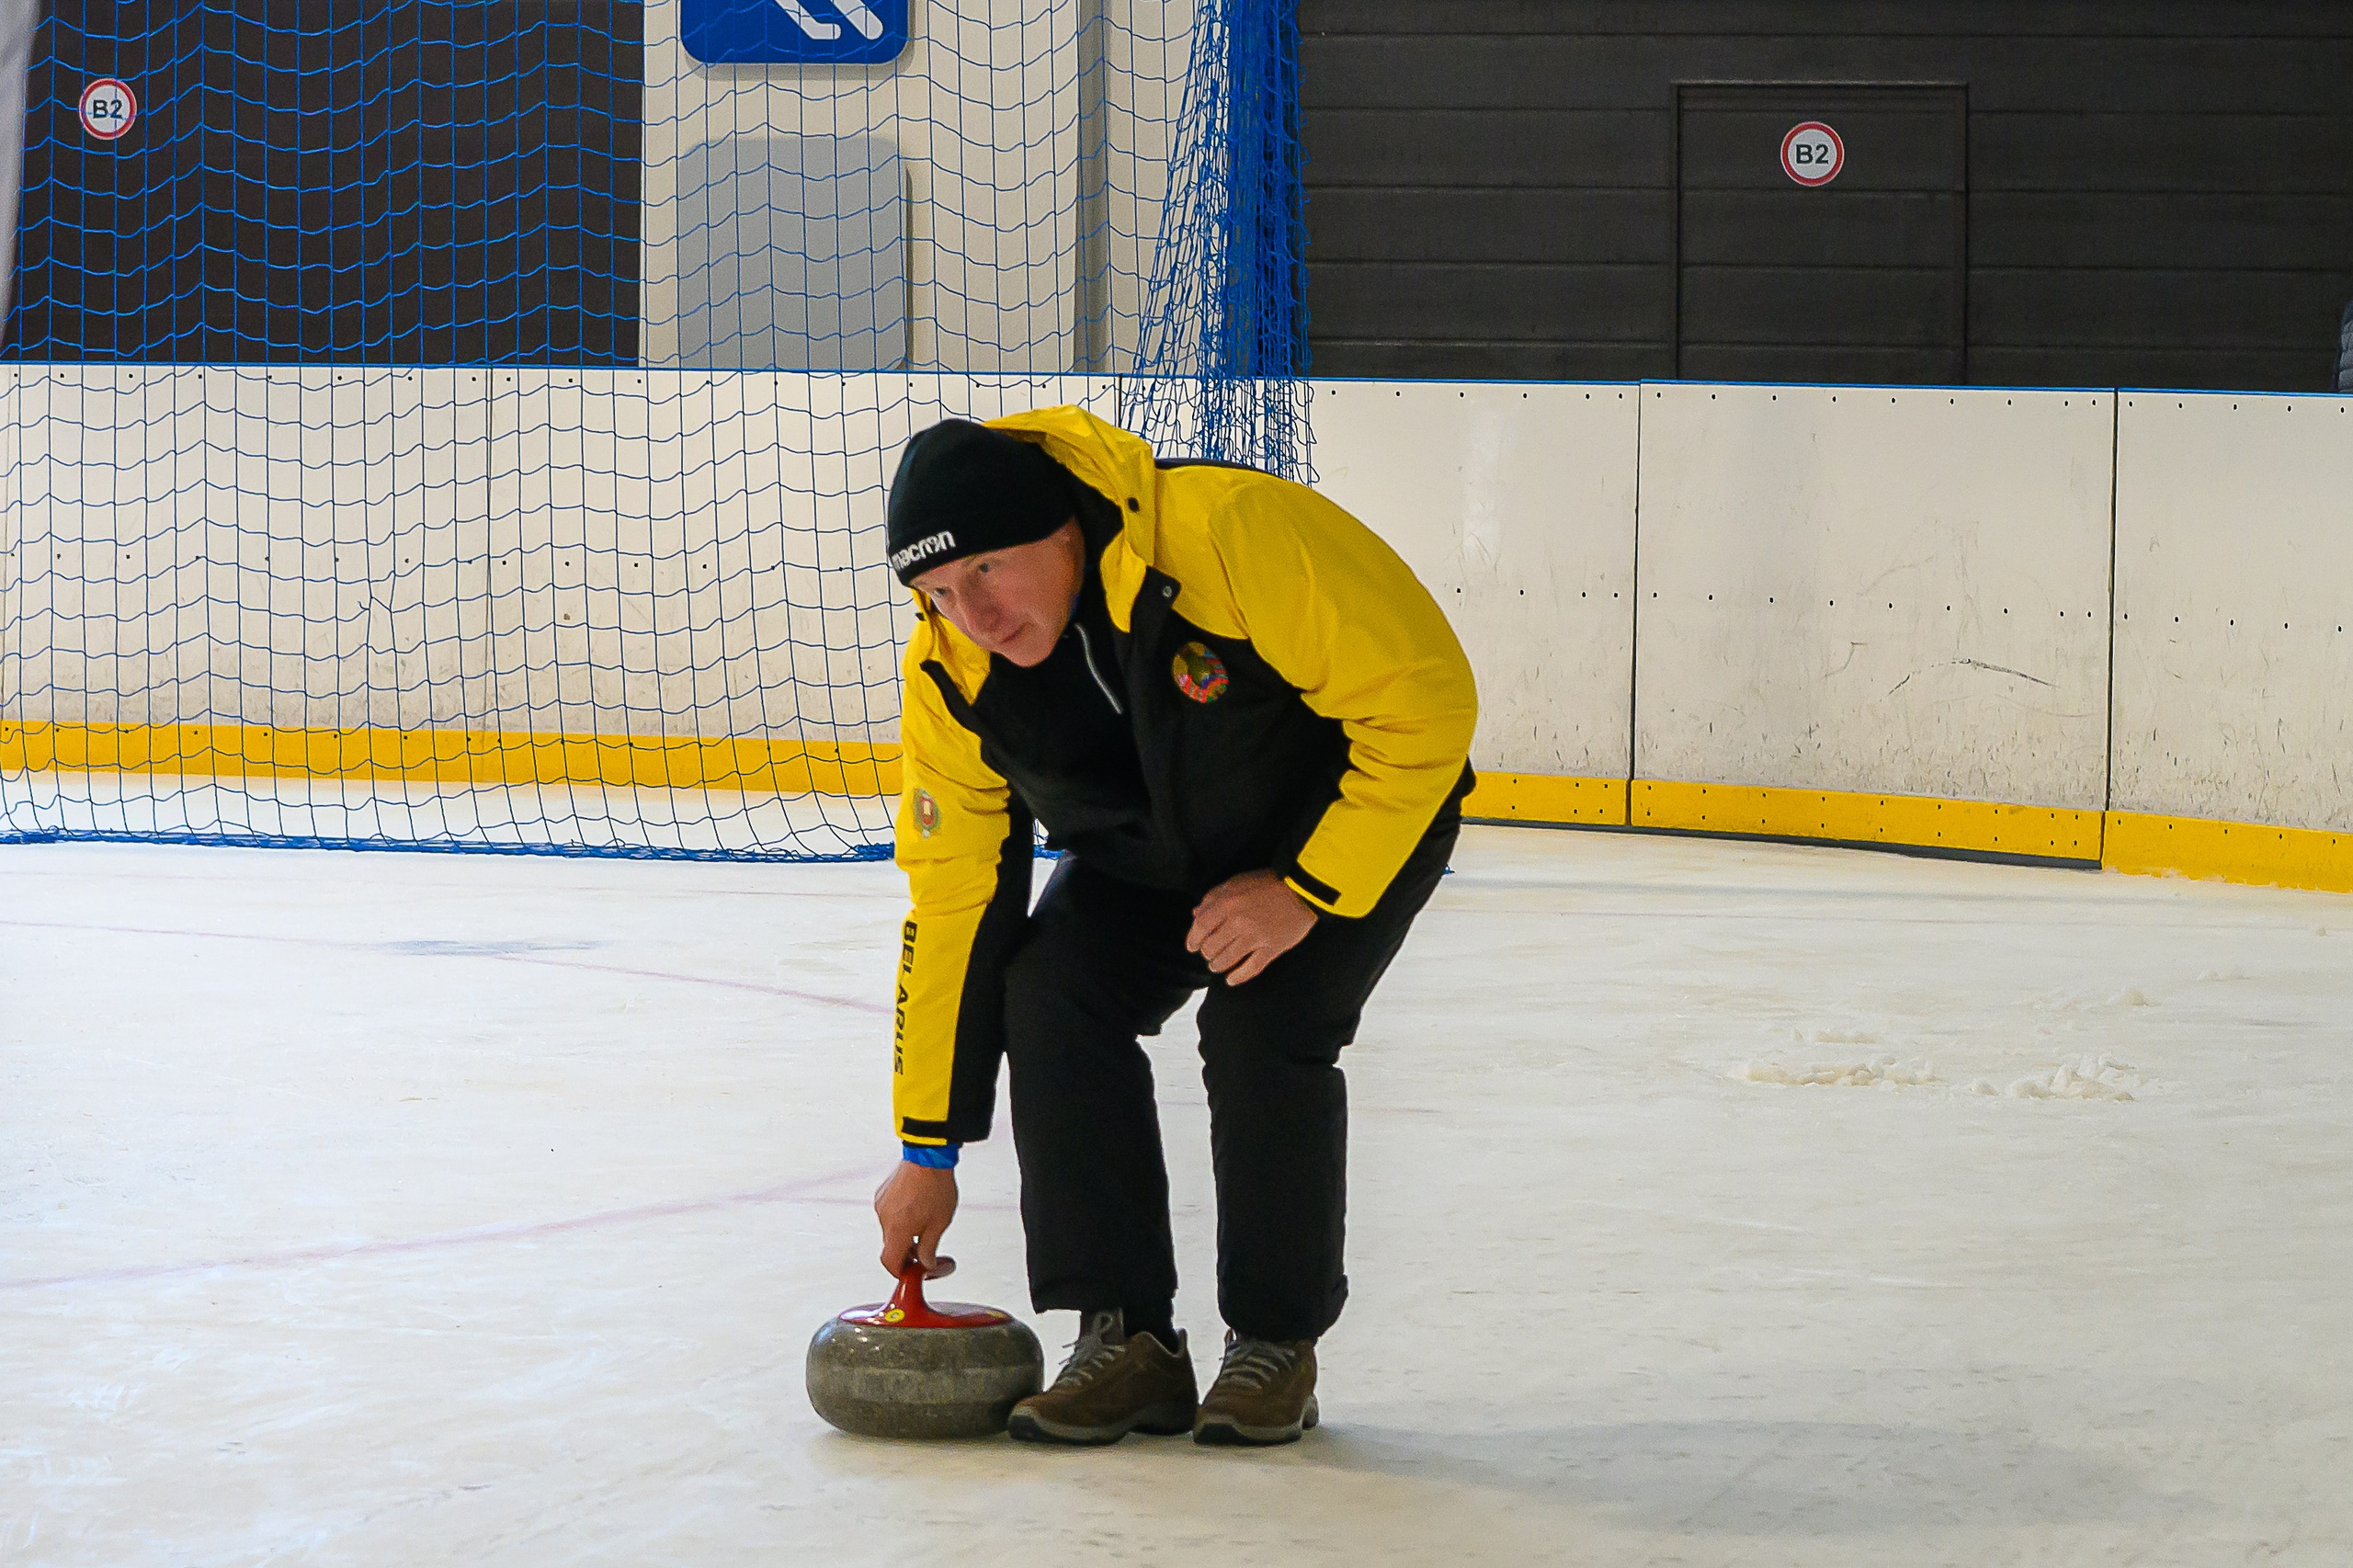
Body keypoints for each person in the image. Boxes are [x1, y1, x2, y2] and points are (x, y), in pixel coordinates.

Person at [870, 405, 1476, 1447]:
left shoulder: (1230, 533)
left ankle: (1274, 1344)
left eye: (988, 571)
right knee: (1050, 989)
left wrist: (1306, 890)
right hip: (1151, 854)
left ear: (1061, 529)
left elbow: (1425, 702)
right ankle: (1126, 1342)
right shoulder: (954, 680)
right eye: (935, 592)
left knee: (1258, 1029)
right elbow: (956, 900)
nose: (970, 613)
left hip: (1342, 819)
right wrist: (929, 1146)